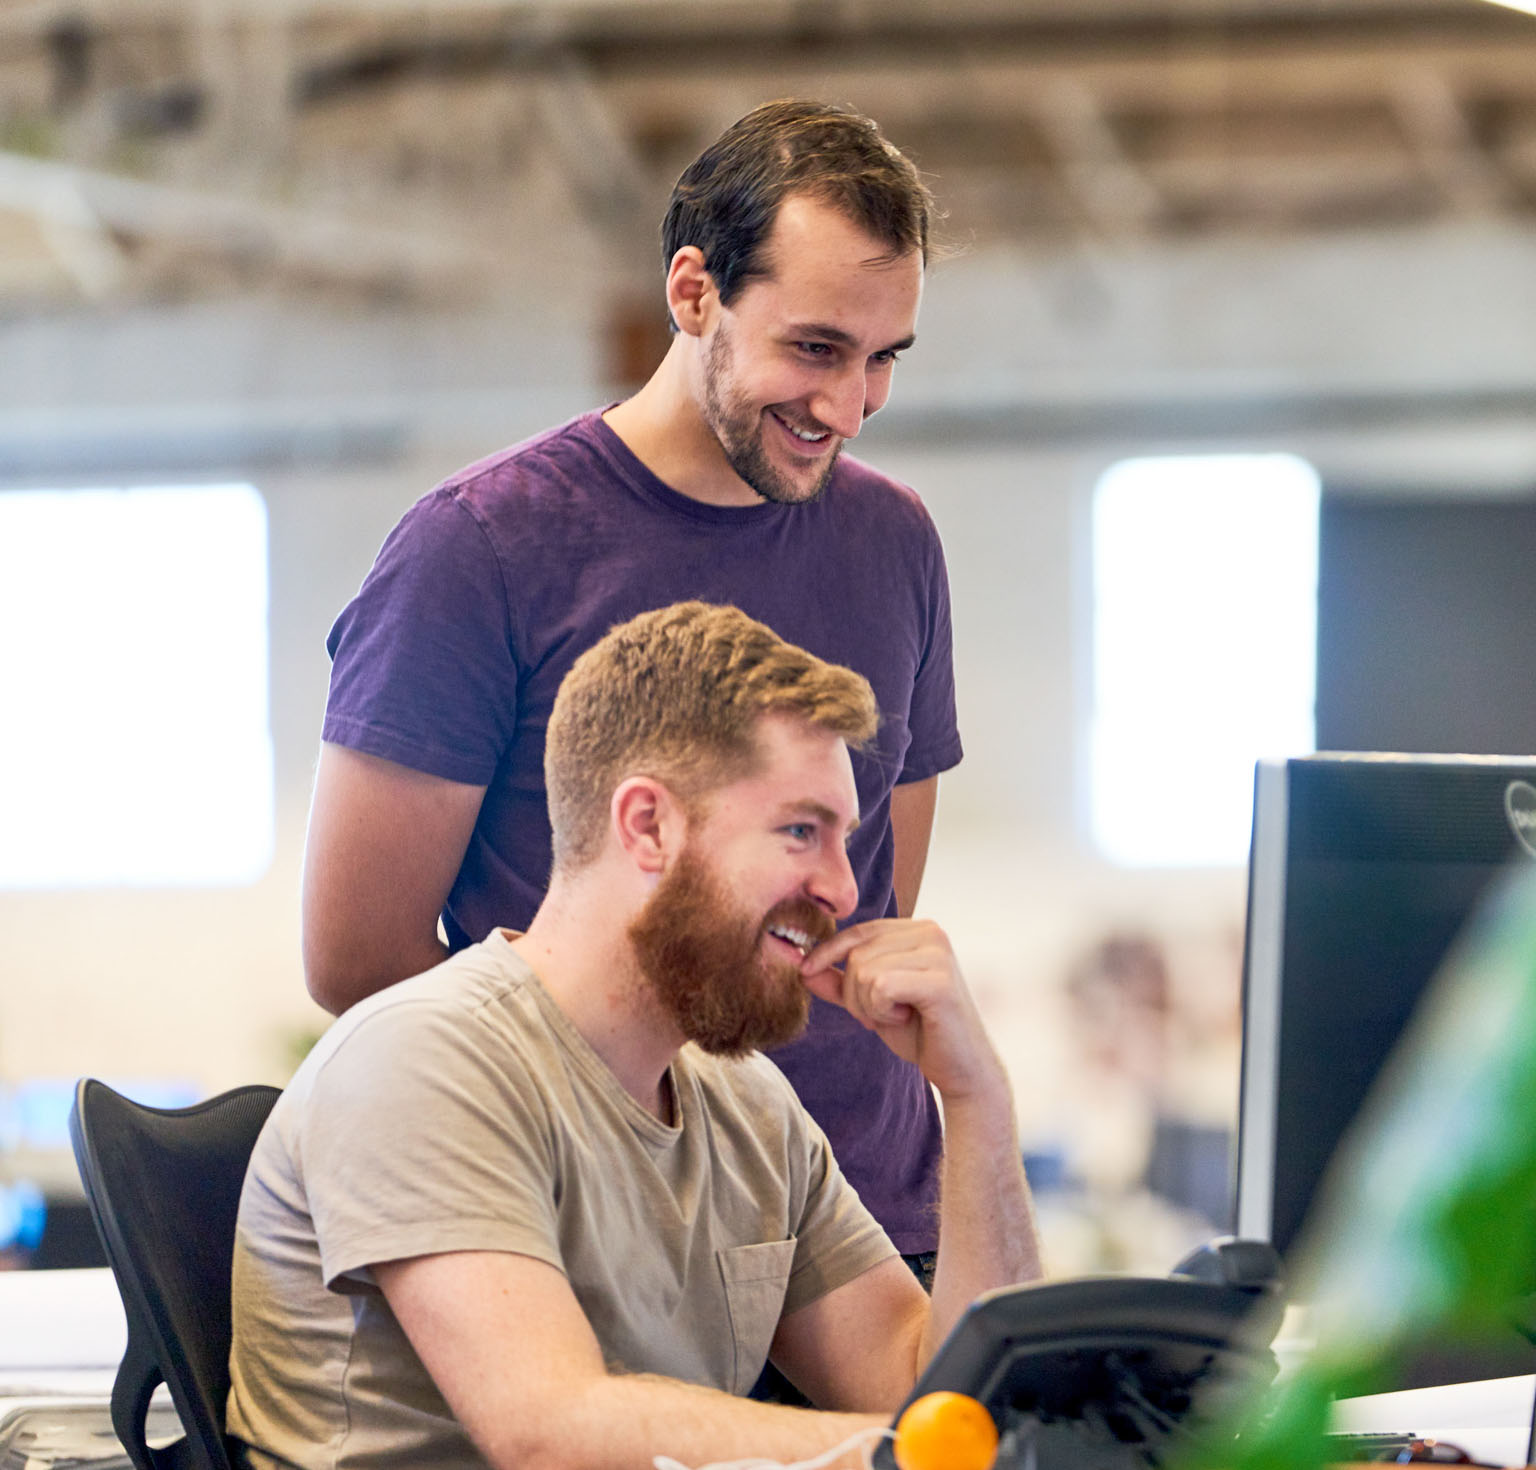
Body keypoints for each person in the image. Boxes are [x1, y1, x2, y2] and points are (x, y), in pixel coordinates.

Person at [303, 100, 958, 1264]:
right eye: (814, 348)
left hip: (874, 1223)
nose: (848, 407)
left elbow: (869, 890)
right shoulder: (480, 547)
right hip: (618, 1241)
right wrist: (613, 1124)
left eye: (881, 360)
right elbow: (359, 960)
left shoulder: (896, 543)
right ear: (694, 291)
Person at [230, 603, 1042, 1470]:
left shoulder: (749, 1105)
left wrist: (976, 1098)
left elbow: (939, 1393)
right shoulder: (423, 1059)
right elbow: (550, 1433)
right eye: (801, 831)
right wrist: (939, 1454)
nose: (845, 889)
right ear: (648, 825)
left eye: (845, 839)